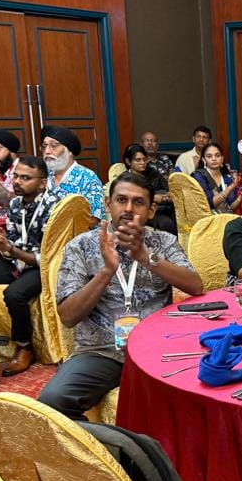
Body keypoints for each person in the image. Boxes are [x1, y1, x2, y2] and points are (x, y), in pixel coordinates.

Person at [38, 172, 202, 419]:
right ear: (108, 204)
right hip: (102, 352)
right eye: (121, 200)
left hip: (158, 348)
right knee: (51, 403)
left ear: (151, 210)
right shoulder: (81, 246)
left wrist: (146, 257)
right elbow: (68, 316)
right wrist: (106, 273)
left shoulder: (164, 242)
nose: (128, 209)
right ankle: (112, 442)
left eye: (138, 202)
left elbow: (195, 286)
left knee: (206, 392)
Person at [0, 156, 60, 376]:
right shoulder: (15, 204)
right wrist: (2, 244)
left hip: (44, 268)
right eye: (16, 176)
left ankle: (25, 348)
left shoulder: (55, 208)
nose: (17, 182)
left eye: (25, 178)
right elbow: (13, 240)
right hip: (17, 261)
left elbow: (49, 257)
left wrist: (10, 249)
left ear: (42, 183)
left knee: (14, 294)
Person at [40, 125, 105, 222]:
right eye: (44, 146)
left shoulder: (88, 178)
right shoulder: (41, 175)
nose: (47, 151)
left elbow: (93, 220)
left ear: (70, 151)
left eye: (54, 146)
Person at [123, 143, 176, 234]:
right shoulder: (125, 179)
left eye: (144, 159)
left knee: (180, 217)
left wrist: (169, 193)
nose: (143, 163)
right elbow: (130, 199)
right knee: (167, 223)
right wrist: (152, 198)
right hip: (143, 212)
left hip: (163, 206)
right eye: (138, 160)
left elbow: (165, 186)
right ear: (128, 162)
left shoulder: (151, 172)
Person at [193, 140, 242, 215]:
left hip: (225, 218)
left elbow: (230, 208)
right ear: (203, 160)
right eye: (209, 156)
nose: (214, 159)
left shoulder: (227, 178)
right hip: (207, 218)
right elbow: (210, 203)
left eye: (217, 155)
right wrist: (231, 187)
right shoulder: (199, 176)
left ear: (222, 159)